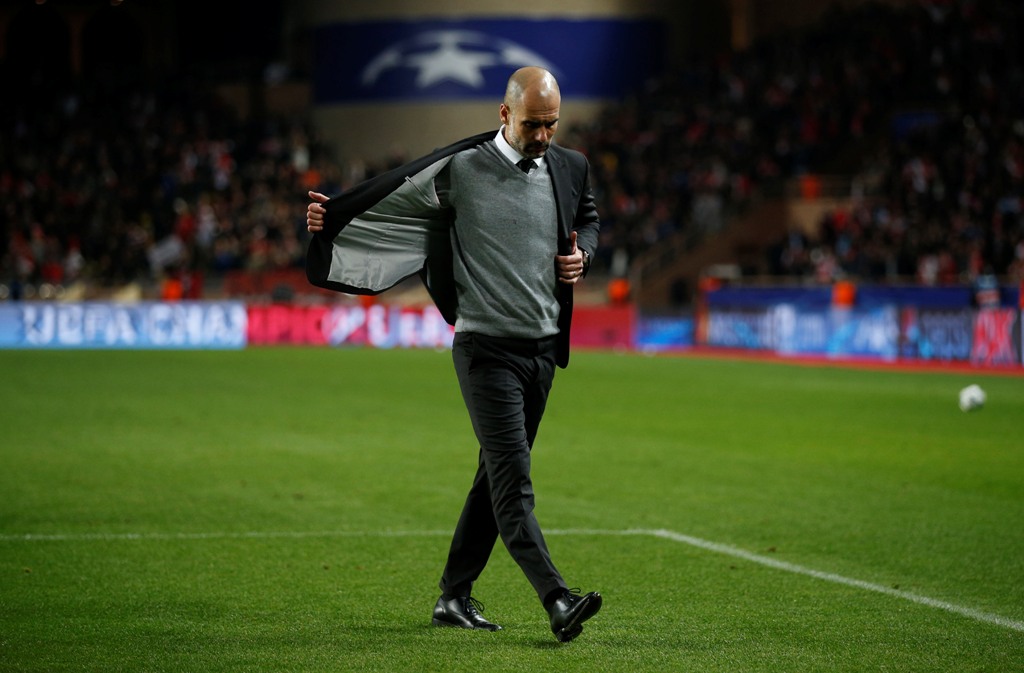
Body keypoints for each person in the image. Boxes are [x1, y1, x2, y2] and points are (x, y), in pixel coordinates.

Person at [305, 66, 602, 643]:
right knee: (513, 481)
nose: (544, 136)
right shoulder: (460, 170)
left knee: (493, 477)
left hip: (542, 351)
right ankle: (557, 598)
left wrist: (582, 258)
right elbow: (394, 197)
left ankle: (453, 596)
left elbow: (586, 221)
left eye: (552, 124)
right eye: (534, 124)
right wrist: (332, 215)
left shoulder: (571, 166)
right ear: (504, 115)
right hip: (484, 351)